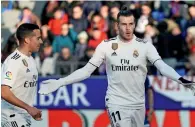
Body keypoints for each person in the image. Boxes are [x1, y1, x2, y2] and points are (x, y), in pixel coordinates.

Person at [39, 7, 195, 127]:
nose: (127, 28)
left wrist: (182, 80)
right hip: (116, 102)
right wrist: (60, 82)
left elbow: (162, 67)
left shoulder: (145, 46)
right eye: (123, 24)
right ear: (116, 25)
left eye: (130, 24)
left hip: (138, 104)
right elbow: (86, 71)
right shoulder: (106, 46)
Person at [1, 23, 43, 127]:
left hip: (22, 116)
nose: (41, 42)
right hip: (11, 117)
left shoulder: (31, 59)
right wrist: (28, 108)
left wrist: (29, 109)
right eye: (38, 38)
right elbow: (4, 92)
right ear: (27, 40)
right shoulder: (13, 62)